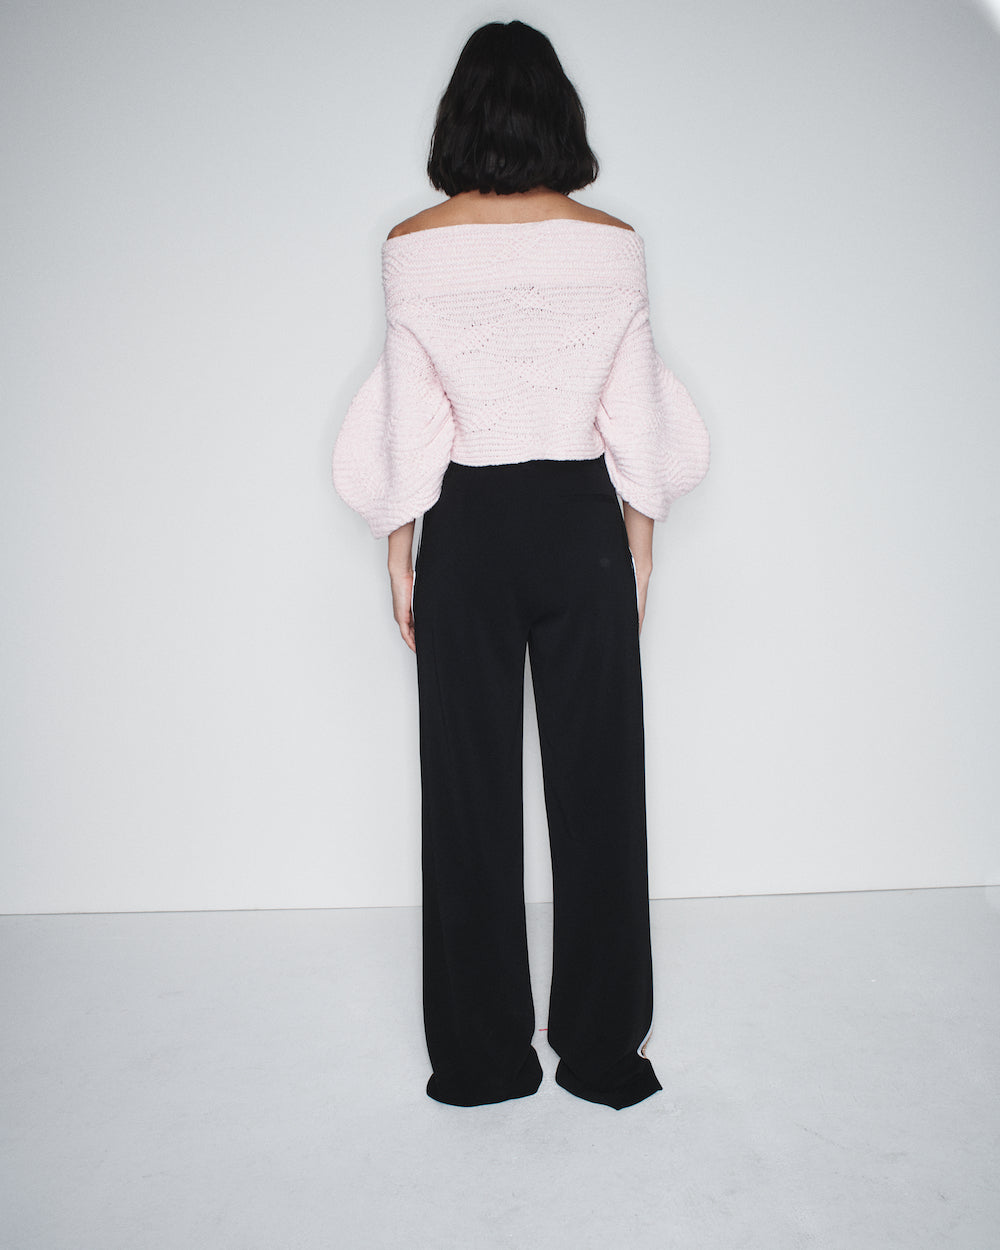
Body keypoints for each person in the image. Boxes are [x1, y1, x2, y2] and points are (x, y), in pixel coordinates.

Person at [331, 19, 710, 1110]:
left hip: (468, 526)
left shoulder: (412, 244)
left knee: (466, 796)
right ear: (559, 116)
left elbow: (410, 420)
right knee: (602, 792)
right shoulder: (612, 242)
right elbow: (634, 411)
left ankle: (481, 1058)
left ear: (459, 118)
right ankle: (602, 1052)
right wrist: (639, 551)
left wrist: (399, 557)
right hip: (582, 522)